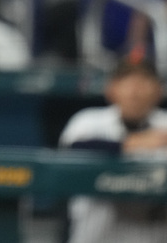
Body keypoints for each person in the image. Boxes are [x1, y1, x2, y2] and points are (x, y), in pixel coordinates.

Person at [58, 50, 167, 243]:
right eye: (127, 80)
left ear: (159, 90)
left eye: (144, 80)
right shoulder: (88, 121)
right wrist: (136, 143)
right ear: (111, 89)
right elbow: (72, 149)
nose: (135, 89)